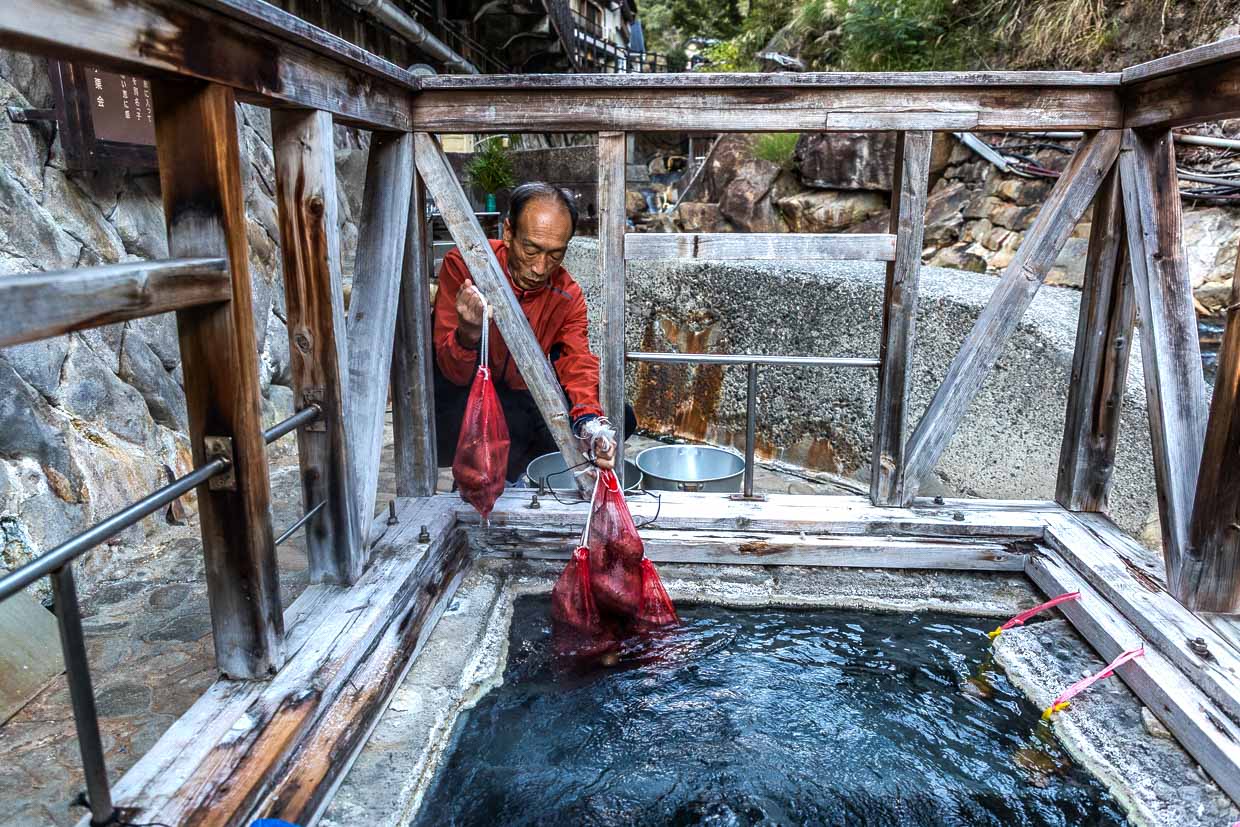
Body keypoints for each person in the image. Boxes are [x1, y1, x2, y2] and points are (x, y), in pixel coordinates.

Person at [432, 182, 635, 483]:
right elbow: (452, 370)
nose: (540, 268)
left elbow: (576, 361)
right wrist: (469, 333)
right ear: (509, 232)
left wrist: (590, 424)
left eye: (555, 255)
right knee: (498, 427)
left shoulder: (566, 295)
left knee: (621, 416)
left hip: (522, 397)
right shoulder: (467, 266)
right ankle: (487, 478)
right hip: (461, 394)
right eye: (530, 250)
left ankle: (527, 475)